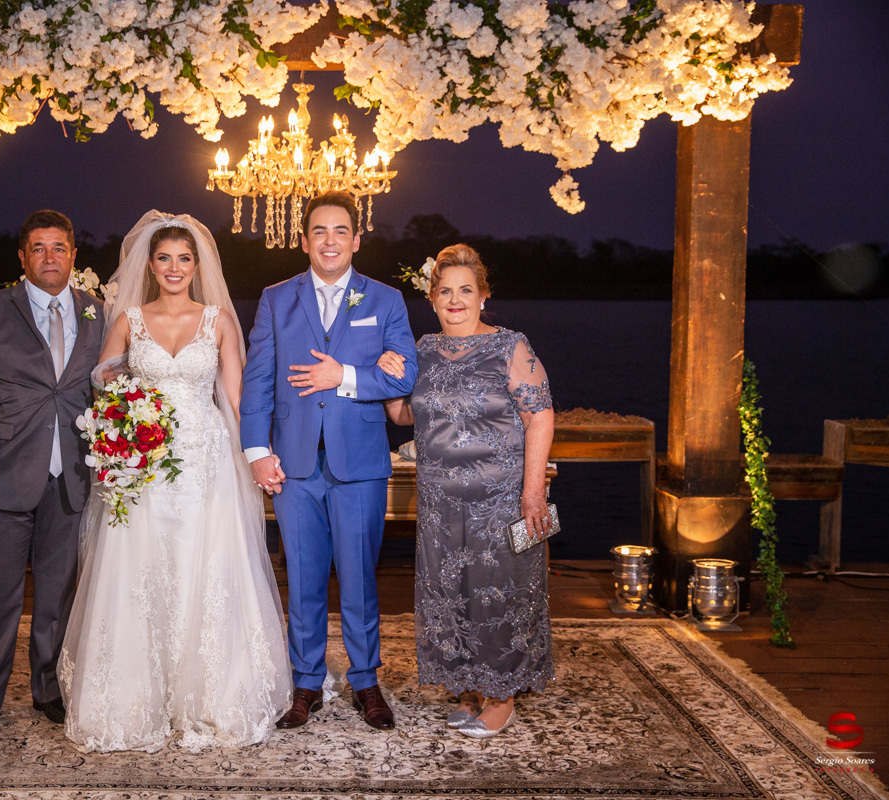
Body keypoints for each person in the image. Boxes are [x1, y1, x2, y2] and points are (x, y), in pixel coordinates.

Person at [59, 211, 291, 753]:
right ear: (149, 265)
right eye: (164, 258)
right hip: (144, 465)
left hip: (205, 462)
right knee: (141, 566)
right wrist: (123, 422)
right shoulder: (129, 320)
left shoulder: (218, 321)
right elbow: (104, 386)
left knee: (205, 566)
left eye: (184, 259)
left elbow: (235, 397)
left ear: (197, 266)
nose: (174, 267)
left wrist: (258, 456)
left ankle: (209, 697)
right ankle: (136, 699)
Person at [240, 191, 418, 731]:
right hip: (293, 466)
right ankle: (306, 683)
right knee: (303, 577)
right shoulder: (276, 299)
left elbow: (406, 375)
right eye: (319, 231)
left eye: (341, 231)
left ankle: (366, 682)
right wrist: (256, 451)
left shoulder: (385, 300)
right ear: (304, 241)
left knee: (360, 577)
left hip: (359, 464)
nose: (330, 240)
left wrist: (344, 376)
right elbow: (258, 380)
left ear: (356, 240)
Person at [0, 210, 105, 736]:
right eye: (38, 248)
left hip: (72, 478)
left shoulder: (98, 314)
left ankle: (49, 688)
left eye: (59, 248)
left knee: (59, 591)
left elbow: (109, 390)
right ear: (22, 256)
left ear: (73, 255)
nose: (49, 257)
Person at [381, 243, 555, 739]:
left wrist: (532, 492)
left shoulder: (510, 347)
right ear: (432, 298)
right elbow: (405, 416)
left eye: (465, 290)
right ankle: (466, 689)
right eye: (445, 291)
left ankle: (502, 697)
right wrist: (389, 379)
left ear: (483, 296)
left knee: (499, 595)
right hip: (440, 501)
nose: (455, 300)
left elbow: (540, 416)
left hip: (500, 500)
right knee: (450, 594)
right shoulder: (422, 349)